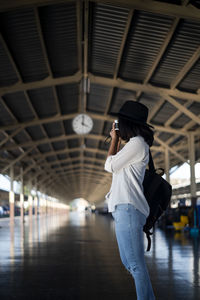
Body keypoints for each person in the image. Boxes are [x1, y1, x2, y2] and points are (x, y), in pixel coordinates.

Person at [104, 101, 155, 300]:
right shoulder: (133, 145)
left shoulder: (136, 144)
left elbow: (109, 165)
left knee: (135, 264)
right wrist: (117, 141)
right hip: (124, 208)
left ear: (126, 123)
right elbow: (116, 166)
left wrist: (114, 139)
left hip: (129, 208)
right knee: (129, 262)